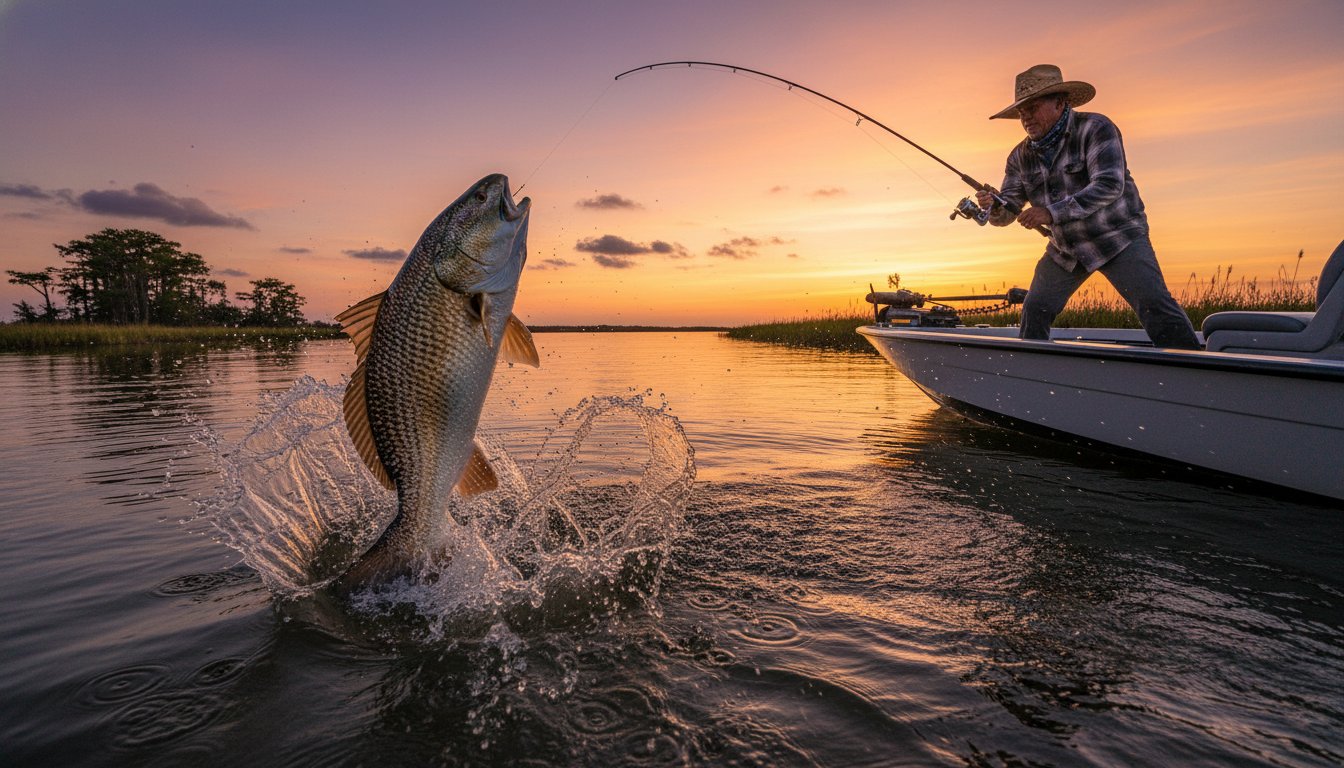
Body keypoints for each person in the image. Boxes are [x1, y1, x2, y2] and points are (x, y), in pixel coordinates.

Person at [976, 64, 1200, 349]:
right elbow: (1005, 214)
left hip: (1118, 237)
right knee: (1035, 309)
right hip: (1066, 248)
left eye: (1032, 107)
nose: (1025, 117)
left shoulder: (1097, 128)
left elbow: (1108, 185)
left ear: (1059, 102)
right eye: (1021, 111)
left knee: (1154, 305)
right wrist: (992, 205)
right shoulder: (1019, 157)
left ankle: (1196, 372)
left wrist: (1050, 212)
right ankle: (1033, 375)